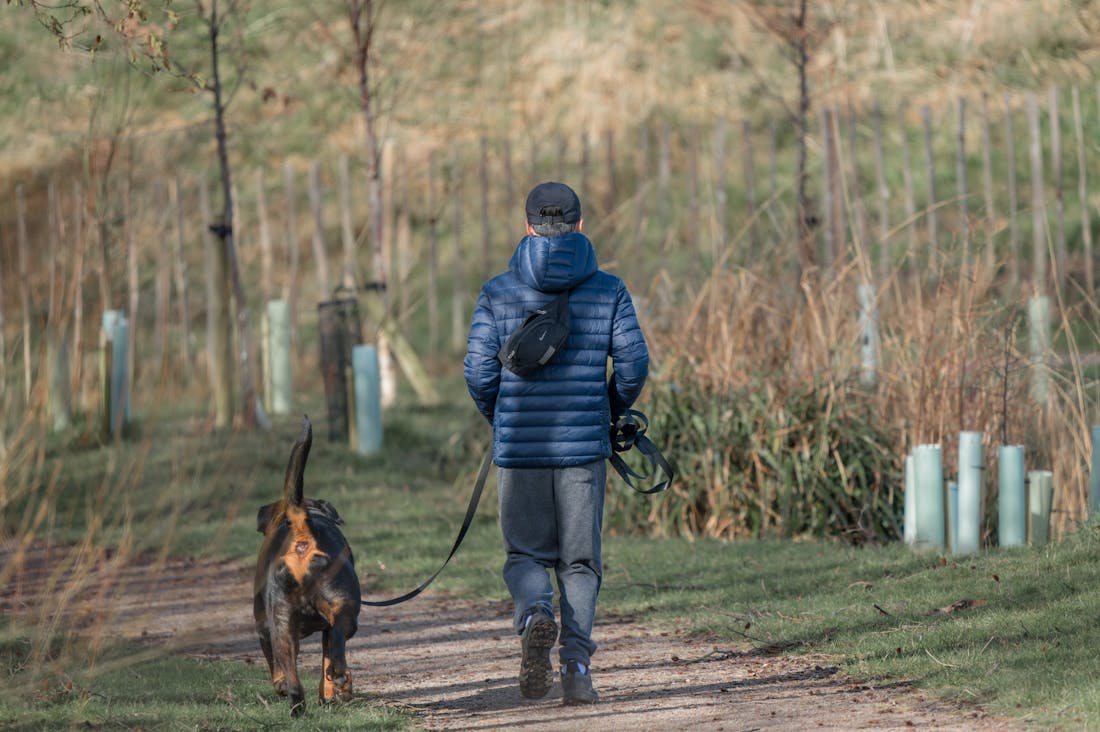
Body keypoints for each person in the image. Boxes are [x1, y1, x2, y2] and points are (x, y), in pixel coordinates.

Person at [464, 181, 649, 705]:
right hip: (582, 452)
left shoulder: (497, 291)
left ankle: (535, 615)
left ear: (527, 227)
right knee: (580, 562)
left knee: (524, 553)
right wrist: (609, 411)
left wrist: (500, 418)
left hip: (520, 448)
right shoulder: (609, 289)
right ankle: (576, 669)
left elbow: (478, 372)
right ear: (580, 225)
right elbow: (634, 365)